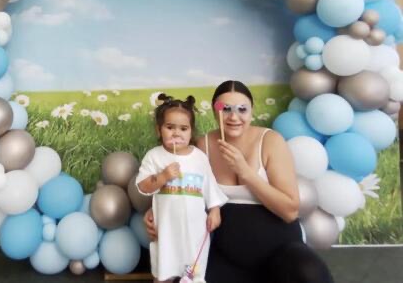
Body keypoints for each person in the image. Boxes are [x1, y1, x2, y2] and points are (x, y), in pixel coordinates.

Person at [144, 81, 334, 283]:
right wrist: (156, 209)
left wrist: (246, 173)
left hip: (280, 254)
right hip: (226, 258)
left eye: (242, 109)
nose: (234, 117)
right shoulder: (203, 146)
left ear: (251, 110)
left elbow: (290, 211)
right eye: (226, 109)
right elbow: (184, 189)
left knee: (310, 273)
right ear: (214, 112)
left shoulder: (270, 141)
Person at [136, 94, 228, 283]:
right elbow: (143, 186)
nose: (176, 133)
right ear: (159, 130)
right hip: (166, 232)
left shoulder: (199, 158)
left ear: (191, 131)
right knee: (164, 273)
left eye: (183, 129)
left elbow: (210, 186)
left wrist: (215, 210)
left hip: (194, 232)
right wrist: (162, 177)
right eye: (170, 127)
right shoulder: (154, 156)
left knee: (193, 274)